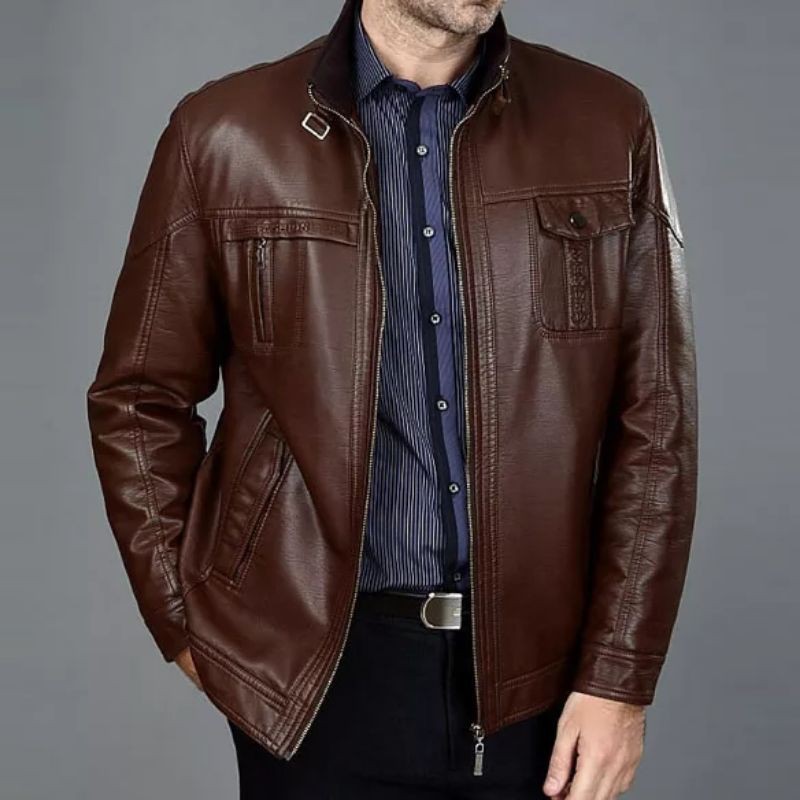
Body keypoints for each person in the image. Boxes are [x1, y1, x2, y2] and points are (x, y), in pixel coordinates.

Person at [86, 0, 698, 797]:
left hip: (540, 685)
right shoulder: (225, 135)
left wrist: (619, 676)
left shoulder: (606, 121)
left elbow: (657, 418)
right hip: (309, 681)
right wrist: (182, 623)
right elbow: (139, 397)